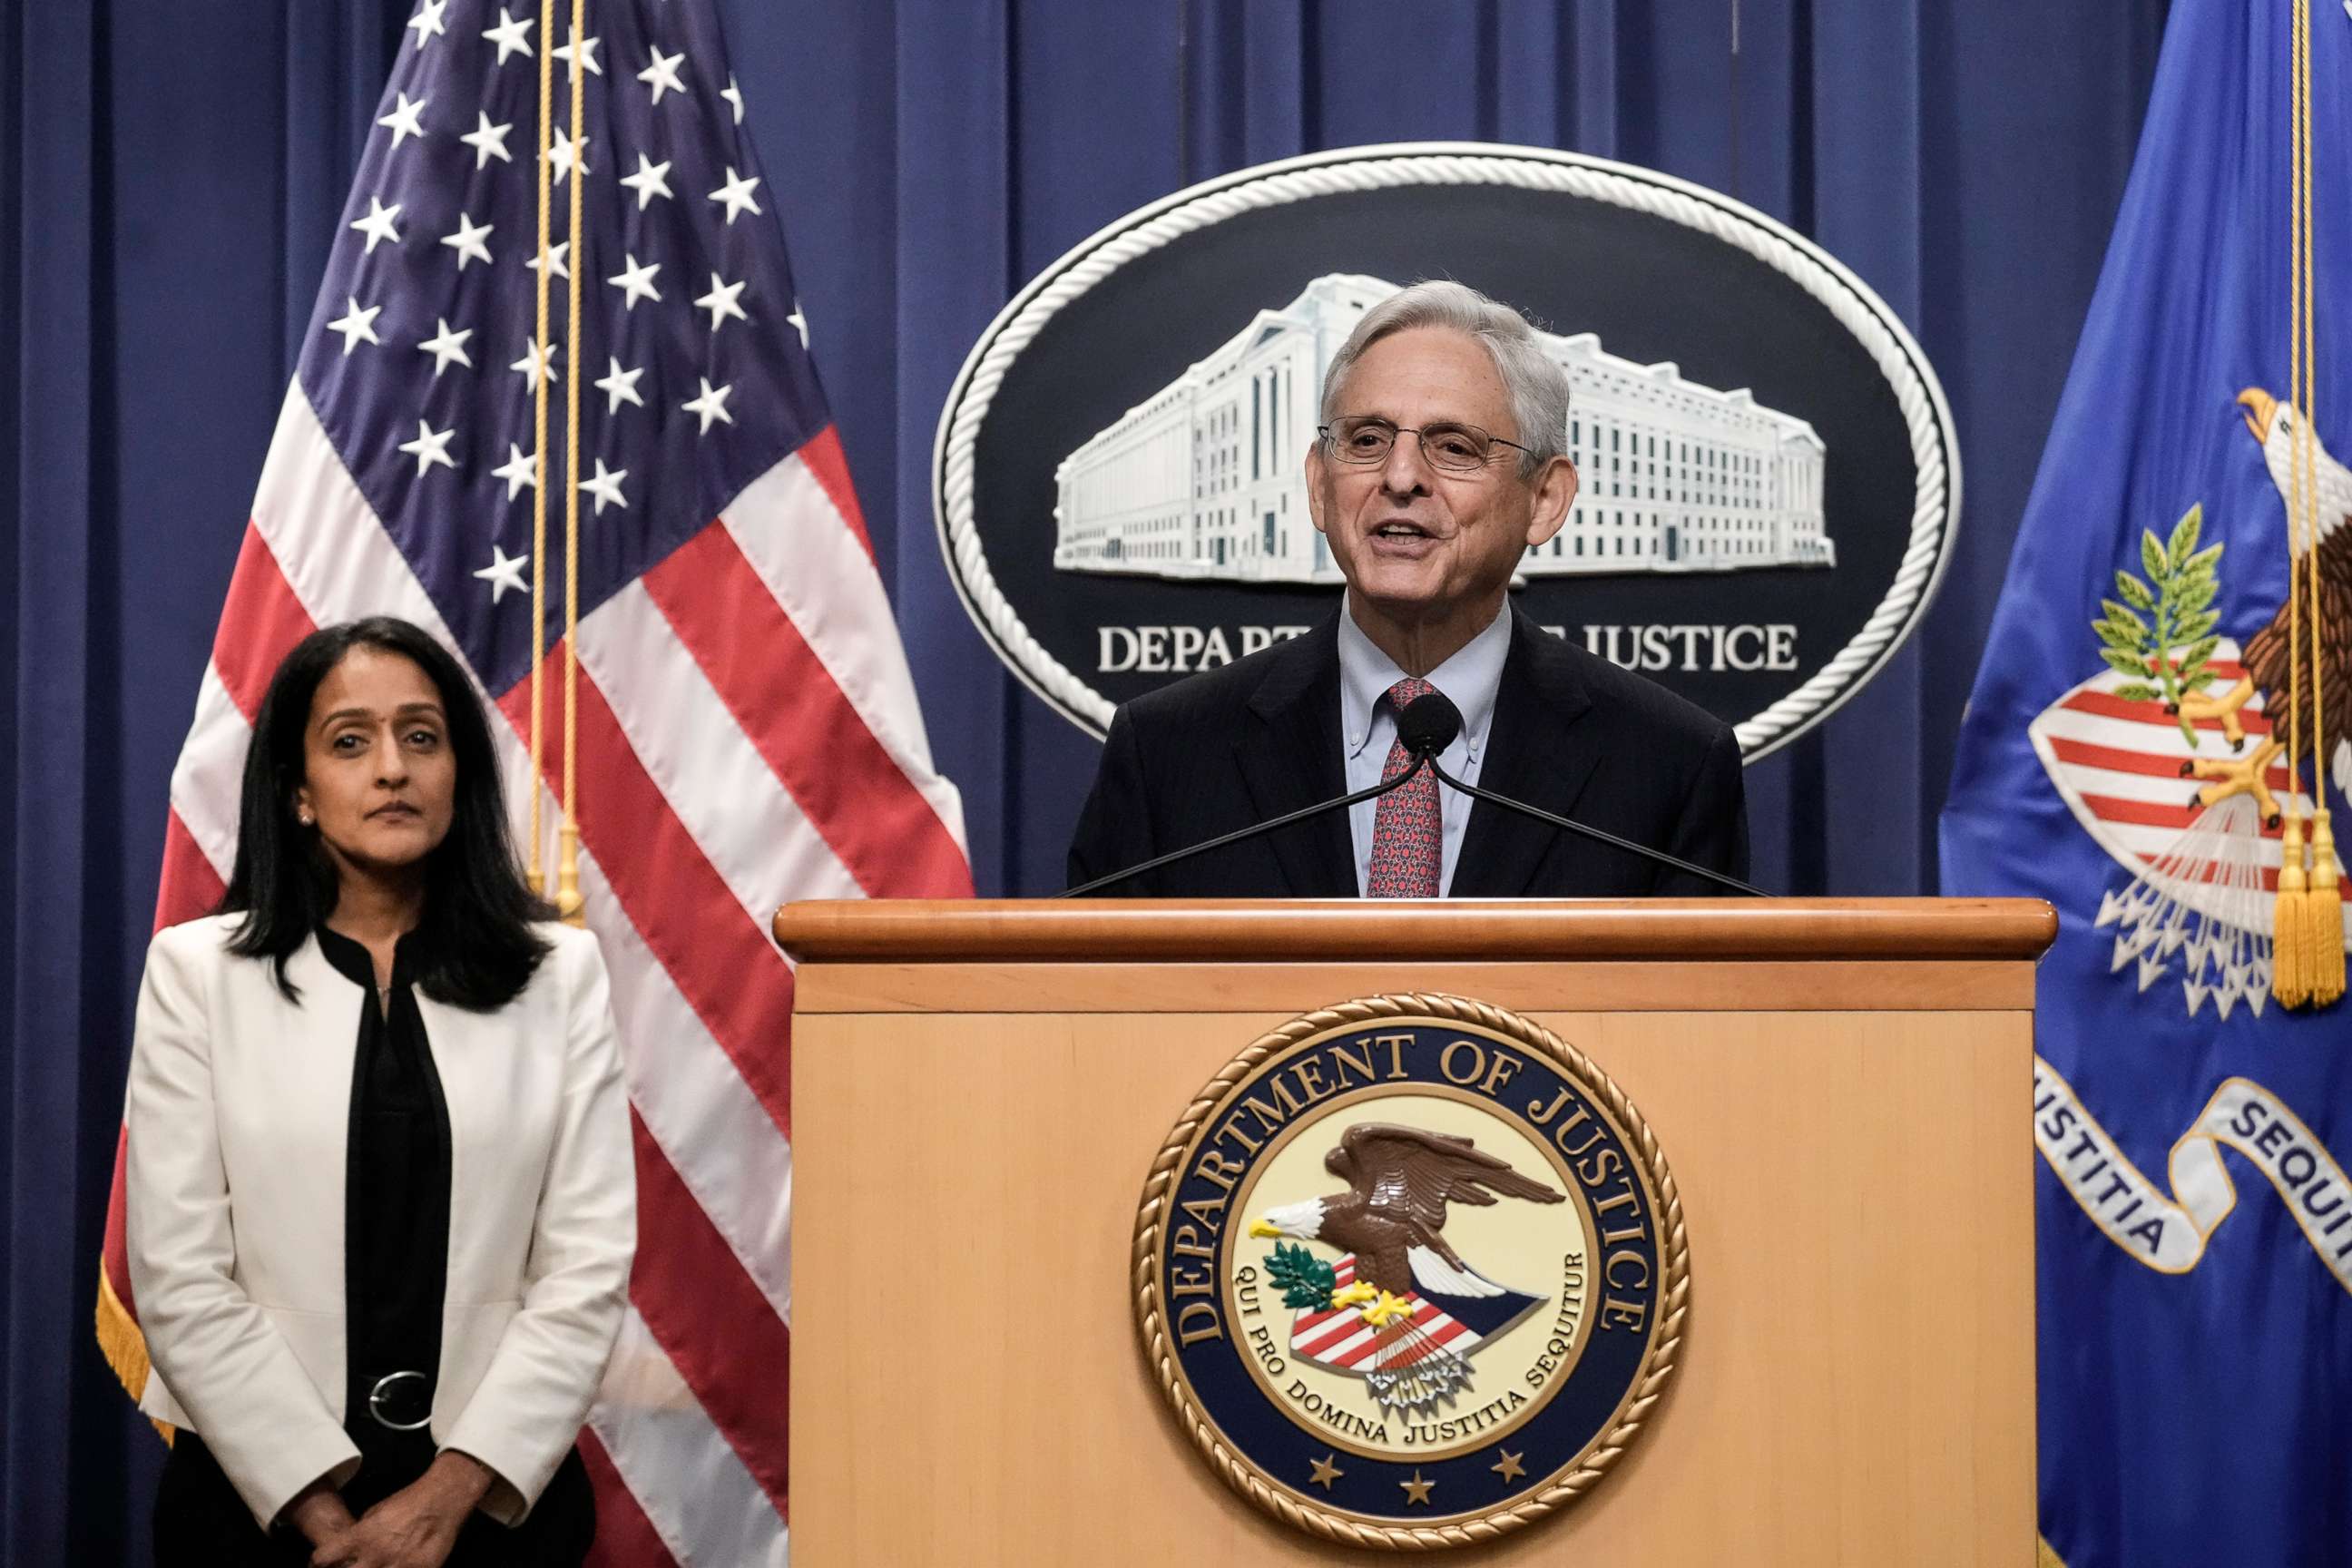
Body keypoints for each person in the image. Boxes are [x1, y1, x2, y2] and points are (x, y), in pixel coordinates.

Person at [125, 616, 635, 1567]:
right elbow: (179, 1273)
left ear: (458, 775)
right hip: (256, 1508)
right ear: (299, 794)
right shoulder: (196, 975)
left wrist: (446, 1497)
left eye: (422, 736)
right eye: (350, 741)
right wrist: (320, 1513)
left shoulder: (561, 976)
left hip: (489, 1511)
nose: (392, 768)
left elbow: (586, 1267)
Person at [1067, 279, 1749, 897]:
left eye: (1454, 447)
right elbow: (1089, 1018)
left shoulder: (1670, 766)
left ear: (1544, 499)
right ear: (1318, 485)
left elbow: (1694, 1027)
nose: (1400, 477)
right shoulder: (1167, 754)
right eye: (1366, 440)